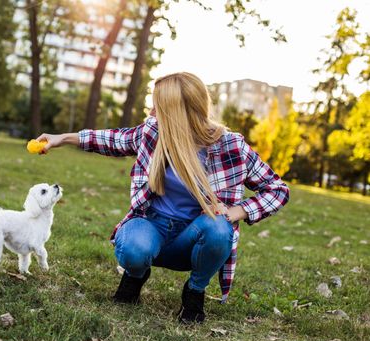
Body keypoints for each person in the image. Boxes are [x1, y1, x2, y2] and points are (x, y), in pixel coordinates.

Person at [36, 72, 289, 324]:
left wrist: (237, 212)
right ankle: (135, 276)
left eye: (157, 105)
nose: (151, 111)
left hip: (193, 240)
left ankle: (194, 292)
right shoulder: (154, 133)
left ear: (175, 110)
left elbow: (277, 190)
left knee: (220, 228)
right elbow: (111, 139)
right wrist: (63, 138)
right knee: (134, 249)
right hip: (152, 225)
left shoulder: (230, 146)